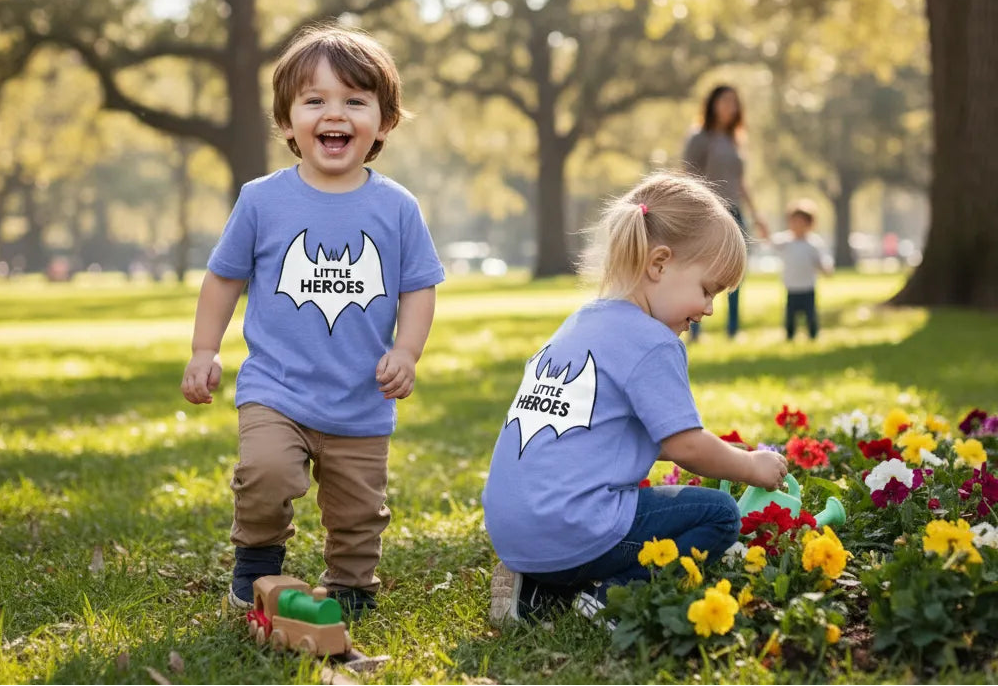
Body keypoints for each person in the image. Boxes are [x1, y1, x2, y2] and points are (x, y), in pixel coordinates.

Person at [180, 25, 445, 618]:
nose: (335, 114)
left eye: (355, 101)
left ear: (384, 122)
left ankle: (351, 584)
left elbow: (419, 286)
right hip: (277, 387)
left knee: (358, 508)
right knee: (265, 472)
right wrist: (204, 349)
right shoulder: (261, 200)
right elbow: (223, 278)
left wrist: (407, 352)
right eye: (315, 100)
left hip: (362, 396)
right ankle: (257, 561)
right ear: (287, 121)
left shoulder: (397, 207)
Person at [483, 171, 789, 626]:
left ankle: (535, 588)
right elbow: (685, 446)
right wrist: (749, 466)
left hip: (513, 531)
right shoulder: (653, 342)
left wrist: (723, 450)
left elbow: (627, 435)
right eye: (707, 290)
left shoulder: (578, 324)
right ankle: (614, 596)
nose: (709, 309)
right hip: (575, 529)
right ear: (659, 264)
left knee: (616, 508)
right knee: (719, 515)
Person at [681, 84, 766, 341]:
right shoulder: (699, 137)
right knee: (701, 271)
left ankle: (733, 329)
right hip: (708, 213)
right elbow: (688, 176)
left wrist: (756, 214)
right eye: (726, 101)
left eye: (735, 102)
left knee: (736, 270)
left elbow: (740, 182)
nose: (731, 107)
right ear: (713, 104)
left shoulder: (734, 139)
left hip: (735, 211)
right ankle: (694, 330)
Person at [759, 199, 833, 341]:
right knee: (790, 316)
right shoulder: (786, 240)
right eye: (794, 221)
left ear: (809, 224)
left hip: (808, 288)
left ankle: (813, 335)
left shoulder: (813, 243)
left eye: (801, 222)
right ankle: (790, 336)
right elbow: (769, 240)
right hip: (792, 288)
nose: (797, 225)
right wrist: (763, 226)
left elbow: (822, 261)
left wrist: (826, 269)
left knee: (810, 315)